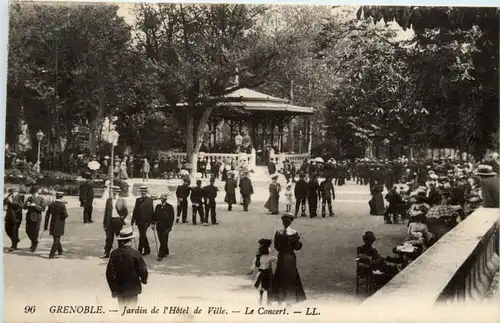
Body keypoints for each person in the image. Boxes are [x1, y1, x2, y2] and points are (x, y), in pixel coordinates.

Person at [106, 227, 148, 309]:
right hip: (133, 288)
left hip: (120, 288)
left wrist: (113, 289)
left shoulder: (114, 253)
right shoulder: (135, 253)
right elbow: (143, 270)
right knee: (131, 312)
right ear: (131, 240)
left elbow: (109, 273)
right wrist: (144, 280)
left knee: (122, 311)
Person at [269, 213, 306, 305]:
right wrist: (299, 242)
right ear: (291, 222)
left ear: (282, 222)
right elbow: (297, 247)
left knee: (280, 276)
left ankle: (279, 299)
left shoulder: (278, 232)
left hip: (282, 256)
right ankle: (290, 299)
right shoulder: (294, 233)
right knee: (291, 277)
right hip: (290, 257)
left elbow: (277, 247)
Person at [247, 239, 276, 306]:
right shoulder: (269, 256)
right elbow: (276, 260)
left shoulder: (258, 257)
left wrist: (251, 271)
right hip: (268, 273)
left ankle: (261, 298)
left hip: (261, 272)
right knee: (269, 287)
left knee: (261, 287)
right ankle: (268, 300)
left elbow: (254, 264)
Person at [101, 186, 128, 258]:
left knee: (120, 238)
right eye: (113, 192)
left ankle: (122, 253)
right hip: (109, 221)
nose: (115, 193)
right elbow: (106, 212)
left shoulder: (122, 200)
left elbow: (125, 212)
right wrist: (104, 223)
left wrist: (121, 219)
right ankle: (106, 253)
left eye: (116, 192)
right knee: (109, 238)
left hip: (118, 221)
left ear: (118, 192)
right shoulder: (109, 200)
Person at [43, 192, 69, 259]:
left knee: (56, 238)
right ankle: (51, 255)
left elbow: (47, 216)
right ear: (61, 197)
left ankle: (60, 250)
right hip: (59, 224)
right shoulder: (62, 205)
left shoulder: (51, 205)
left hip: (52, 223)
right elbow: (65, 215)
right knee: (56, 240)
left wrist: (45, 226)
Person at [131, 186, 154, 256]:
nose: (143, 193)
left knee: (142, 235)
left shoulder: (150, 200)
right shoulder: (138, 200)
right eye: (141, 192)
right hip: (139, 221)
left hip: (146, 221)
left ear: (146, 192)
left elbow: (152, 212)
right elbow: (135, 210)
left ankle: (139, 250)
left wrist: (152, 222)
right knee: (143, 235)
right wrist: (132, 220)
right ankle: (147, 249)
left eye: (144, 192)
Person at [152, 193, 175, 261]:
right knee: (161, 240)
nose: (162, 200)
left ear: (165, 199)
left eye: (164, 199)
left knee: (163, 240)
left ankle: (160, 255)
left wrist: (170, 227)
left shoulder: (169, 207)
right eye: (161, 199)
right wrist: (153, 223)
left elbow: (171, 218)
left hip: (166, 227)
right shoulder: (158, 206)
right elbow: (154, 216)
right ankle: (166, 251)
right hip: (159, 227)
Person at [23, 186, 46, 252]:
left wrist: (35, 206)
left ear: (37, 193)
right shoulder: (29, 198)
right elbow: (24, 207)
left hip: (37, 218)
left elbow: (43, 208)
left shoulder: (41, 199)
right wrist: (26, 205)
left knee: (35, 232)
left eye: (34, 193)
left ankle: (34, 246)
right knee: (28, 231)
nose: (33, 195)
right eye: (32, 193)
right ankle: (34, 242)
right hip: (29, 217)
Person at [4, 187, 25, 251]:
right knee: (7, 229)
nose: (10, 194)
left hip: (16, 217)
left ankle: (14, 246)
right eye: (10, 192)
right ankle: (16, 240)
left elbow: (21, 205)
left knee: (14, 231)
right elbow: (3, 203)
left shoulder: (21, 197)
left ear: (16, 192)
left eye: (11, 192)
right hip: (8, 216)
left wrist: (12, 201)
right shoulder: (9, 196)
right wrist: (7, 200)